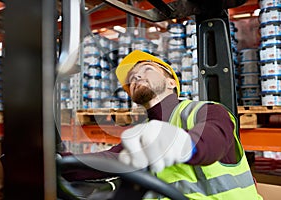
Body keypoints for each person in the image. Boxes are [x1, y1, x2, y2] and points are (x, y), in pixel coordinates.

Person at [61, 50, 262, 199]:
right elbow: (100, 162)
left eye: (146, 69)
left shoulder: (205, 111)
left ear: (171, 82)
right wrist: (53, 162)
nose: (137, 77)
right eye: (132, 78)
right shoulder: (142, 135)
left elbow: (214, 138)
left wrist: (183, 144)